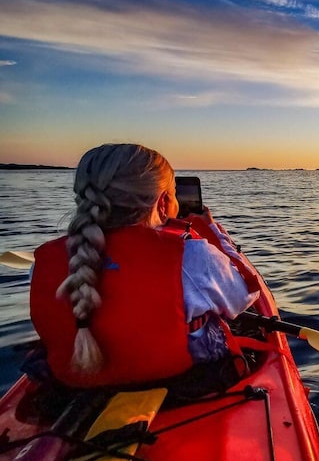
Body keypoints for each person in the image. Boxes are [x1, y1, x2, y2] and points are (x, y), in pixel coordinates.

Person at [29, 143, 261, 389]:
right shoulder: (190, 255)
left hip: (72, 385)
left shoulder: (44, 261)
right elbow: (243, 296)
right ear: (163, 203)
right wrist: (209, 231)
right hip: (179, 380)